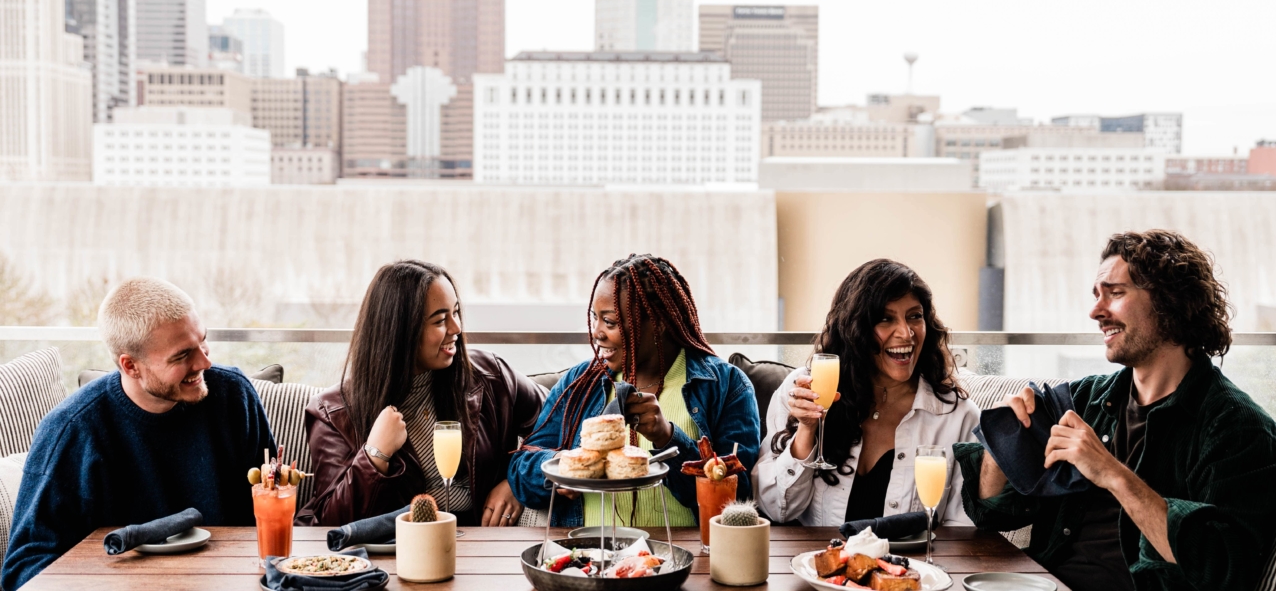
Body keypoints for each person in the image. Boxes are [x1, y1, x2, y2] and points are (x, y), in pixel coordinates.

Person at [956, 230, 1276, 591]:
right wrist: (1002, 444)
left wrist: (1112, 473)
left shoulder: (1238, 429)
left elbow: (1222, 567)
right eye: (1097, 295)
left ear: (1170, 300)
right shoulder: (1083, 401)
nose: (1095, 311)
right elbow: (991, 512)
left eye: (1116, 293)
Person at [1, 278, 277, 590]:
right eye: (182, 355)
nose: (205, 361)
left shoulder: (233, 395)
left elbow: (268, 508)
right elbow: (24, 568)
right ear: (131, 366)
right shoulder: (72, 431)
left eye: (203, 341)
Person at [508, 254, 760, 526]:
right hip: (588, 555)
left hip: (684, 555)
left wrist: (668, 437)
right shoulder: (579, 383)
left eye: (611, 322)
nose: (596, 332)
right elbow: (522, 466)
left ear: (659, 322)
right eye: (595, 318)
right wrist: (562, 465)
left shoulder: (726, 385)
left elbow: (736, 498)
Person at [297, 260, 546, 527]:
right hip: (396, 554)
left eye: (456, 312)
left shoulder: (491, 376)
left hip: (480, 541)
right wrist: (374, 455)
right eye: (440, 320)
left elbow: (564, 421)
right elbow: (329, 525)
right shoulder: (333, 412)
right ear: (400, 332)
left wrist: (518, 481)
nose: (456, 328)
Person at [754, 259, 978, 526]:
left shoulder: (958, 417)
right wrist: (806, 431)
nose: (906, 333)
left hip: (907, 567)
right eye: (885, 319)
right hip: (816, 565)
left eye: (915, 316)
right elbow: (776, 510)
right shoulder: (802, 391)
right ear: (855, 328)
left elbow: (962, 529)